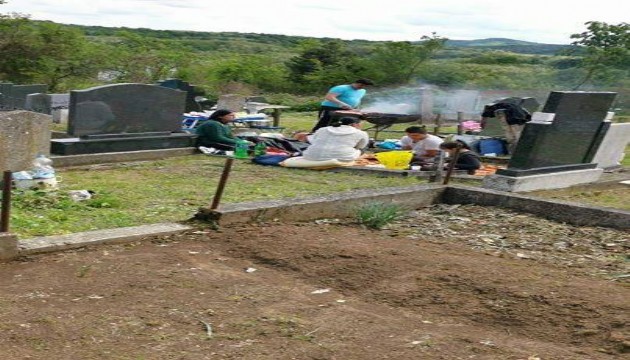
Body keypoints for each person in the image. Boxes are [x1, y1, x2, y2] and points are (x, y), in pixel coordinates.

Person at [302, 117, 369, 162]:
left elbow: (313, 141)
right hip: (342, 157)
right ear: (354, 124)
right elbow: (360, 147)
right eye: (360, 124)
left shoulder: (323, 129)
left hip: (311, 156)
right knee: (362, 148)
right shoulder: (361, 133)